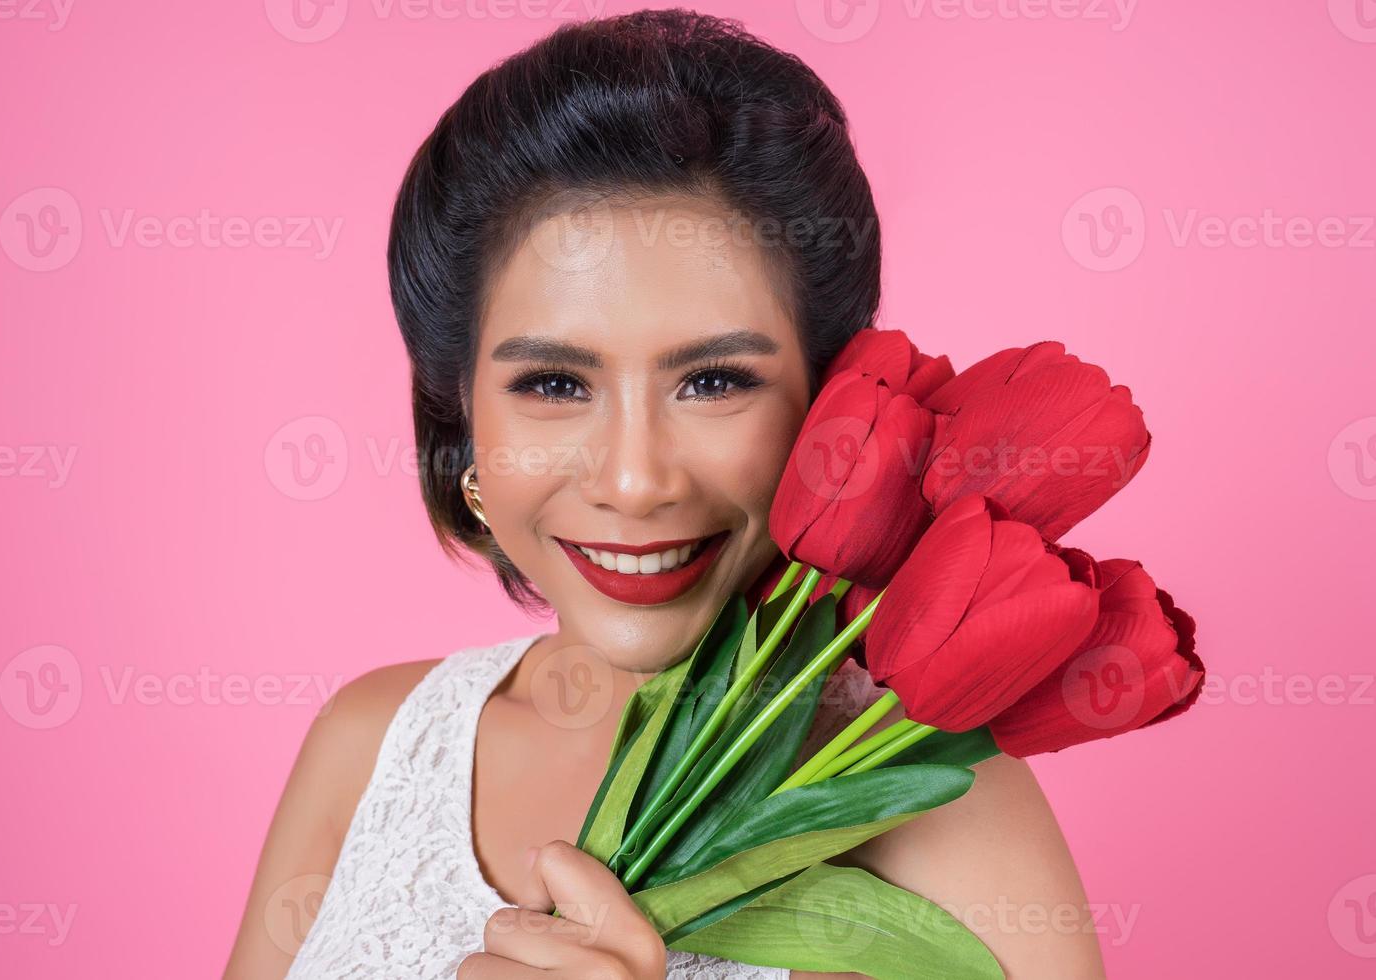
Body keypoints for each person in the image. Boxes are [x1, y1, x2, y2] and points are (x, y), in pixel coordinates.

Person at [225, 9, 1107, 978]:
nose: (636, 480)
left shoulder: (932, 808)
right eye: (554, 385)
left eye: (714, 381)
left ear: (829, 402)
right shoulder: (374, 742)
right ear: (464, 424)